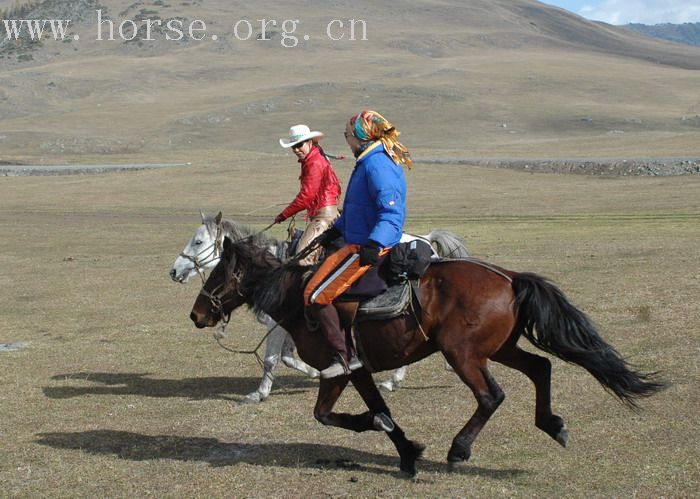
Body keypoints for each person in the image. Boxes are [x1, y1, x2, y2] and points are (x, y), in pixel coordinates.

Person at [303, 110, 412, 378]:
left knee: (317, 295)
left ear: (361, 137)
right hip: (353, 240)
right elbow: (358, 209)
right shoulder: (368, 161)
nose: (346, 139)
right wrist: (334, 231)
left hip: (367, 246)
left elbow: (391, 212)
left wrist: (375, 243)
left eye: (347, 134)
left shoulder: (377, 165)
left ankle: (344, 358)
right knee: (311, 285)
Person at [275, 124, 342, 265]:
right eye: (294, 147)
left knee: (302, 258)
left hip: (323, 218)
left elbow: (306, 197)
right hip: (323, 215)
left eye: (299, 145)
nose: (297, 149)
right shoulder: (314, 158)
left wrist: (284, 215)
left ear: (310, 142)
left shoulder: (314, 162)